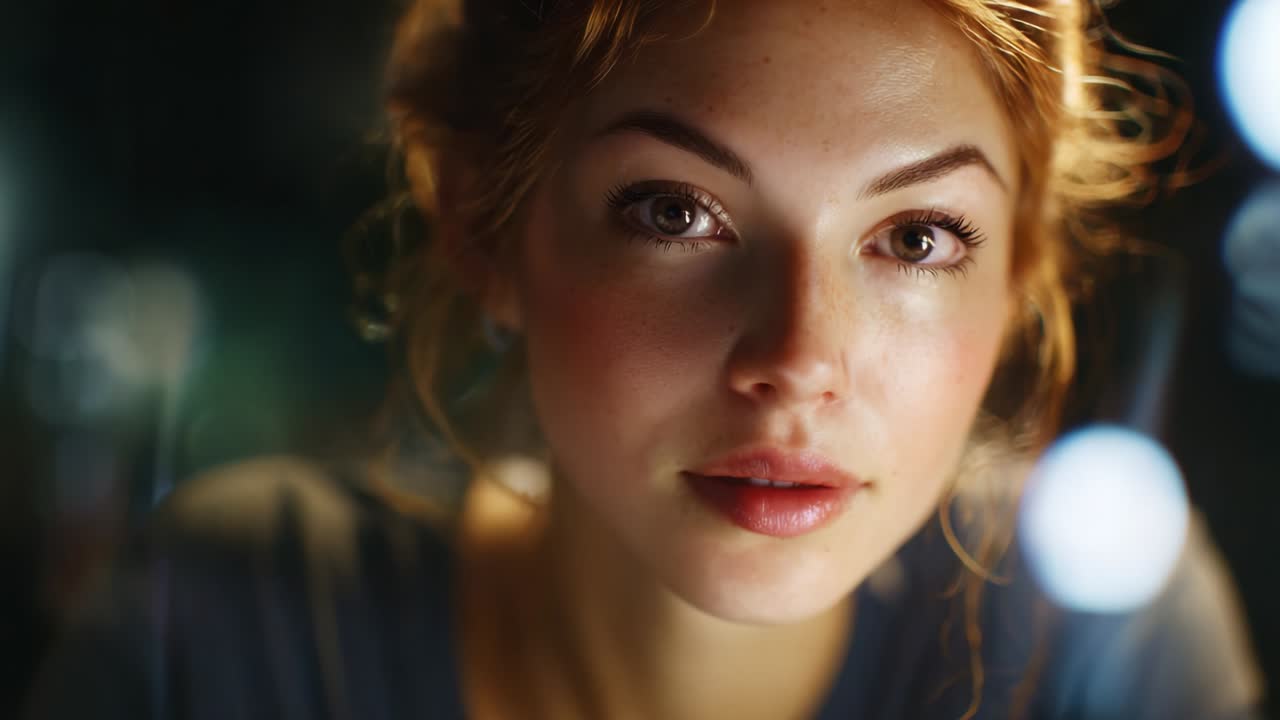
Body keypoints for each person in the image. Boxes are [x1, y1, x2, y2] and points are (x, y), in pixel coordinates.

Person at [25, 1, 1266, 718]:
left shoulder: (1097, 656)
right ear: (482, 228)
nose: (796, 358)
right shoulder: (242, 638)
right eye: (673, 212)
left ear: (1021, 277)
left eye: (914, 236)